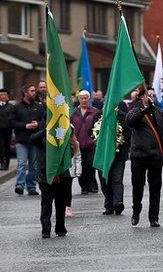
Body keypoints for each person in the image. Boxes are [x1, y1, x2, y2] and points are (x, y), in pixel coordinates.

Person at [125, 86, 163, 227]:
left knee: (155, 187)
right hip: (139, 155)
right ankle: (136, 211)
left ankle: (154, 217)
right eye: (149, 95)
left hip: (155, 155)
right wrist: (144, 111)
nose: (151, 97)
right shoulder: (135, 112)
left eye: (153, 95)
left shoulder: (162, 113)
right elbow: (130, 122)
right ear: (142, 97)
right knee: (138, 185)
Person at [33, 107, 73, 238]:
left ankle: (60, 228)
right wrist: (47, 130)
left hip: (62, 174)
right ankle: (46, 229)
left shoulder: (62, 132)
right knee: (46, 204)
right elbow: (32, 139)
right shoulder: (41, 134)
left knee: (61, 203)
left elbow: (71, 151)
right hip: (46, 174)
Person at [99, 100, 130, 215]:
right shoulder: (98, 115)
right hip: (102, 155)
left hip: (118, 154)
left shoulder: (123, 116)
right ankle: (109, 205)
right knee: (104, 180)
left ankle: (118, 203)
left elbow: (129, 133)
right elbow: (90, 132)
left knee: (117, 180)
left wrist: (118, 138)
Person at [12, 85, 43, 196]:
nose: (34, 93)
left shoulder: (39, 107)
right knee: (21, 163)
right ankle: (19, 185)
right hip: (22, 140)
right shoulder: (17, 107)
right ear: (25, 93)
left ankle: (31, 187)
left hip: (35, 140)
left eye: (34, 91)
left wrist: (37, 124)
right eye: (32, 91)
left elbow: (44, 122)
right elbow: (12, 123)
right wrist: (25, 126)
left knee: (33, 165)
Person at [70, 90, 100, 194]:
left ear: (89, 99)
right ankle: (83, 186)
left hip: (91, 143)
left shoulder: (95, 111)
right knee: (80, 165)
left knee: (90, 165)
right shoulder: (73, 112)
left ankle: (92, 185)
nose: (83, 100)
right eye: (81, 98)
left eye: (85, 98)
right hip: (77, 143)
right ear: (79, 99)